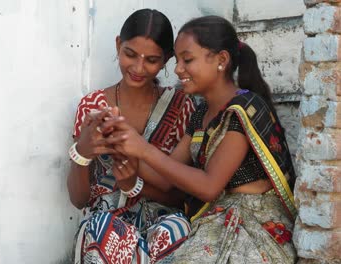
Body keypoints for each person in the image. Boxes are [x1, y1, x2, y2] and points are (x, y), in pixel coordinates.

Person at [101, 15, 297, 263]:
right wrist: (119, 145)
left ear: (221, 60)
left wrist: (142, 150)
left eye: (187, 60)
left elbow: (209, 186)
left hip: (254, 225)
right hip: (216, 218)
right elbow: (165, 178)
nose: (177, 69)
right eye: (178, 59)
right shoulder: (201, 114)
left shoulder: (242, 108)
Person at [67, 9, 196, 264]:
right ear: (118, 45)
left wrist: (136, 185)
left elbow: (183, 196)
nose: (138, 67)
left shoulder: (182, 107)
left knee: (177, 227)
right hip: (106, 224)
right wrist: (81, 153)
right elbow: (79, 199)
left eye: (151, 59)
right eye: (130, 54)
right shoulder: (92, 107)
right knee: (102, 229)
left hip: (161, 222)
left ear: (167, 59)